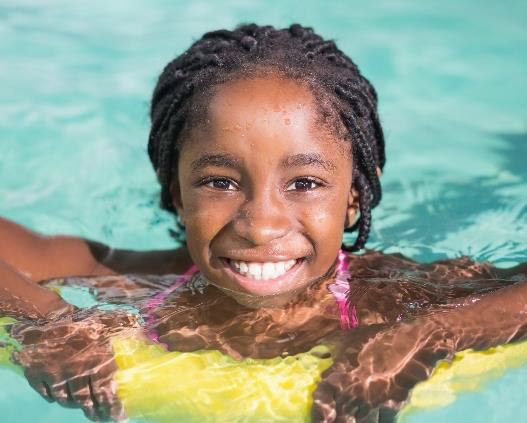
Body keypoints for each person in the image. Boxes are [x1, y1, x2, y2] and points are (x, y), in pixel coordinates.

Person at [0, 23, 526, 423]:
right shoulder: (142, 284)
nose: (260, 224)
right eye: (220, 182)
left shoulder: (394, 298)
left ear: (354, 199)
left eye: (305, 183)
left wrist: (434, 333)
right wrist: (48, 320)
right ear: (176, 195)